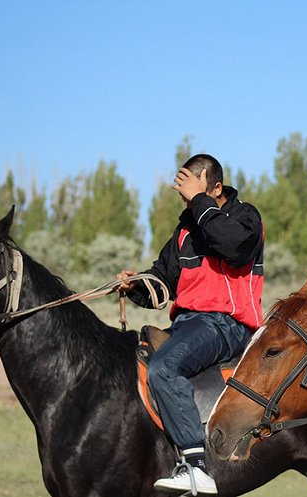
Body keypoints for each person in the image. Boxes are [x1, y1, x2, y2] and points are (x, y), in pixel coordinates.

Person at [117, 154, 264, 495]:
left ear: (214, 187)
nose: (187, 200)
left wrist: (199, 201)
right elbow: (163, 282)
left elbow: (233, 247)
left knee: (163, 369)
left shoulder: (244, 216)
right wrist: (136, 283)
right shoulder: (187, 227)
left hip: (226, 324)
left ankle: (196, 466)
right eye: (183, 194)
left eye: (192, 190)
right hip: (189, 324)